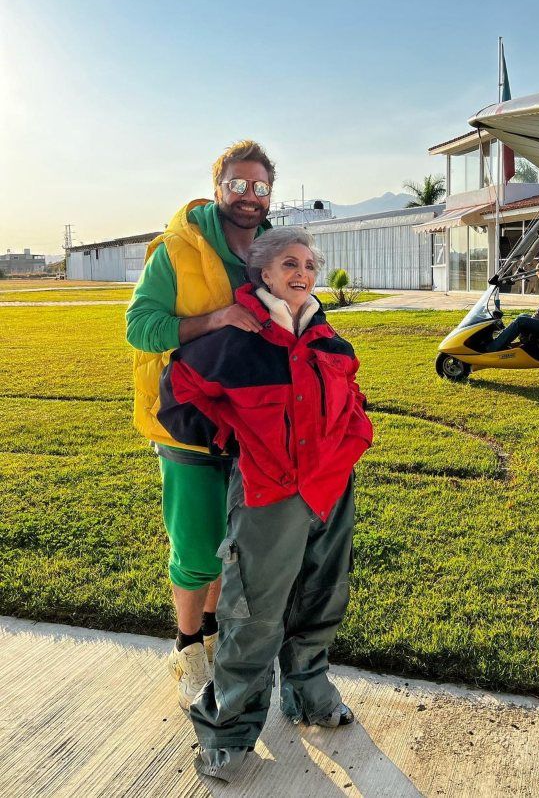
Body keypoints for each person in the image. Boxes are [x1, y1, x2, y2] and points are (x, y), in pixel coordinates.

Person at [157, 226, 373, 783]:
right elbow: (178, 389)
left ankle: (310, 696)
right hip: (268, 493)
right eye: (288, 264)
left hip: (329, 489)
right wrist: (230, 437)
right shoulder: (237, 338)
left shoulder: (330, 342)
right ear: (265, 273)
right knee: (252, 615)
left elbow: (353, 400)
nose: (301, 274)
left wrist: (352, 442)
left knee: (322, 598)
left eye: (308, 264)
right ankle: (226, 734)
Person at [125, 140, 275, 710]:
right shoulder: (177, 249)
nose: (248, 196)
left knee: (230, 543)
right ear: (218, 187)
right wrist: (218, 317)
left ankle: (212, 637)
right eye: (237, 184)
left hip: (247, 423)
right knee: (195, 546)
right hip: (185, 420)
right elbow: (141, 326)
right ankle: (187, 648)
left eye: (259, 187)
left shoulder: (270, 249)